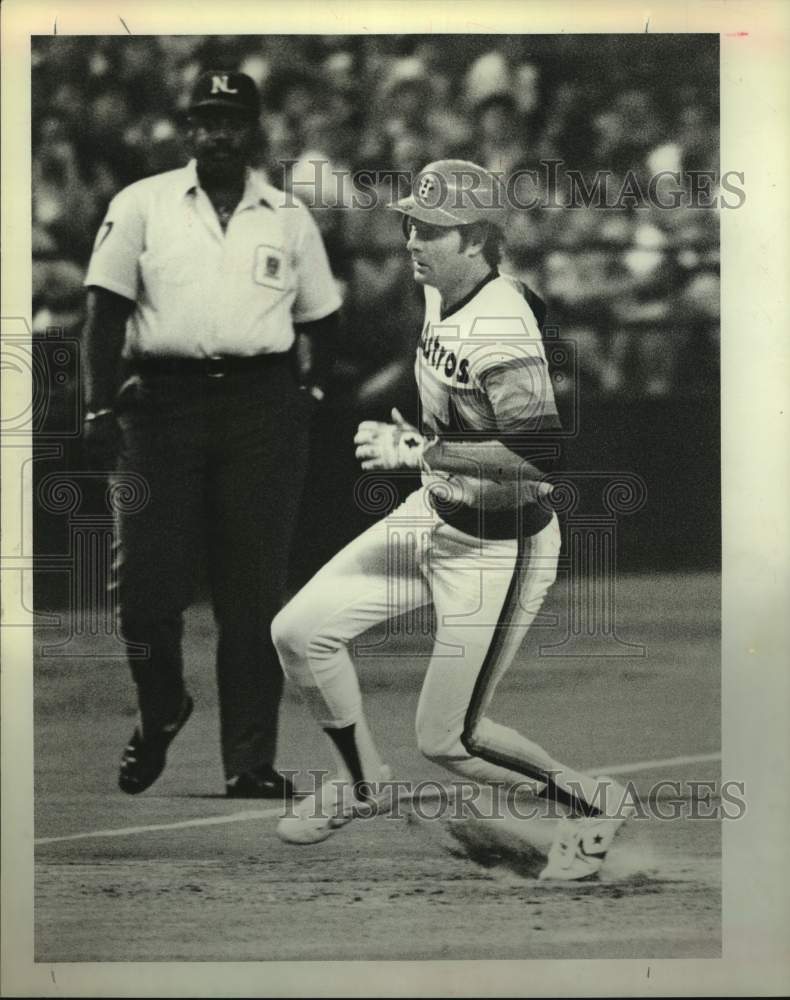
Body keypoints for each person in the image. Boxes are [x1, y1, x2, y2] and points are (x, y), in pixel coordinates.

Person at [272, 159, 629, 880]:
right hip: (433, 516)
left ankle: (593, 804)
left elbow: (544, 457)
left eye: (431, 228)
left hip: (501, 548)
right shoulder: (443, 290)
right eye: (411, 221)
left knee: (449, 739)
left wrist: (422, 446)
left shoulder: (499, 325)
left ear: (476, 238)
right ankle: (367, 783)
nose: (411, 237)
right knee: (299, 632)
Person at [81, 70, 341, 798]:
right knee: (144, 590)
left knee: (252, 592)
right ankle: (162, 702)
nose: (219, 132)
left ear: (253, 131)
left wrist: (307, 394)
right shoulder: (143, 204)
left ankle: (250, 761)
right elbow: (104, 311)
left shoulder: (287, 216)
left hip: (260, 405)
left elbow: (322, 319)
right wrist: (99, 409)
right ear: (186, 130)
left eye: (232, 120)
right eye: (206, 119)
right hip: (161, 403)